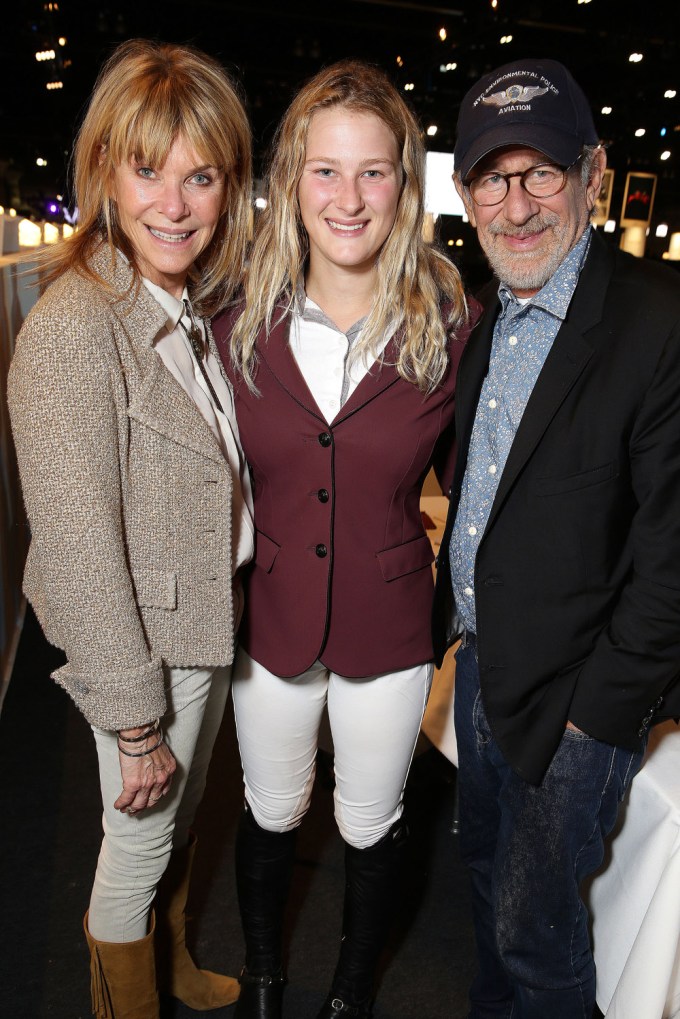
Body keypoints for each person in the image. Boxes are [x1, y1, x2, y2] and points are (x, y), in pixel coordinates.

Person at [211, 59, 477, 1019]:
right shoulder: (234, 317)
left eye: (373, 172)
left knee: (372, 823)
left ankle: (351, 994)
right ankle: (267, 982)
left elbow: (484, 484)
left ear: (406, 185)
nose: (349, 197)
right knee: (272, 813)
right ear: (291, 181)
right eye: (326, 170)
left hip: (391, 626)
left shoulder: (453, 325)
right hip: (270, 621)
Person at [7, 39, 254, 1019]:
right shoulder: (75, 326)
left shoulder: (178, 301)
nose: (175, 204)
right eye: (147, 170)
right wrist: (136, 720)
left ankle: (174, 954)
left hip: (198, 620)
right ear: (104, 168)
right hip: (146, 645)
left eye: (201, 176)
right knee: (134, 846)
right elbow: (75, 546)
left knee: (180, 819)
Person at [432, 57, 680, 1019]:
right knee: (490, 887)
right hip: (487, 671)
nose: (518, 204)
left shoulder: (656, 322)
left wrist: (594, 722)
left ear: (594, 173)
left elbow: (669, 563)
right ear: (465, 192)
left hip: (579, 699)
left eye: (543, 173)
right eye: (495, 177)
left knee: (538, 926)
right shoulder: (492, 318)